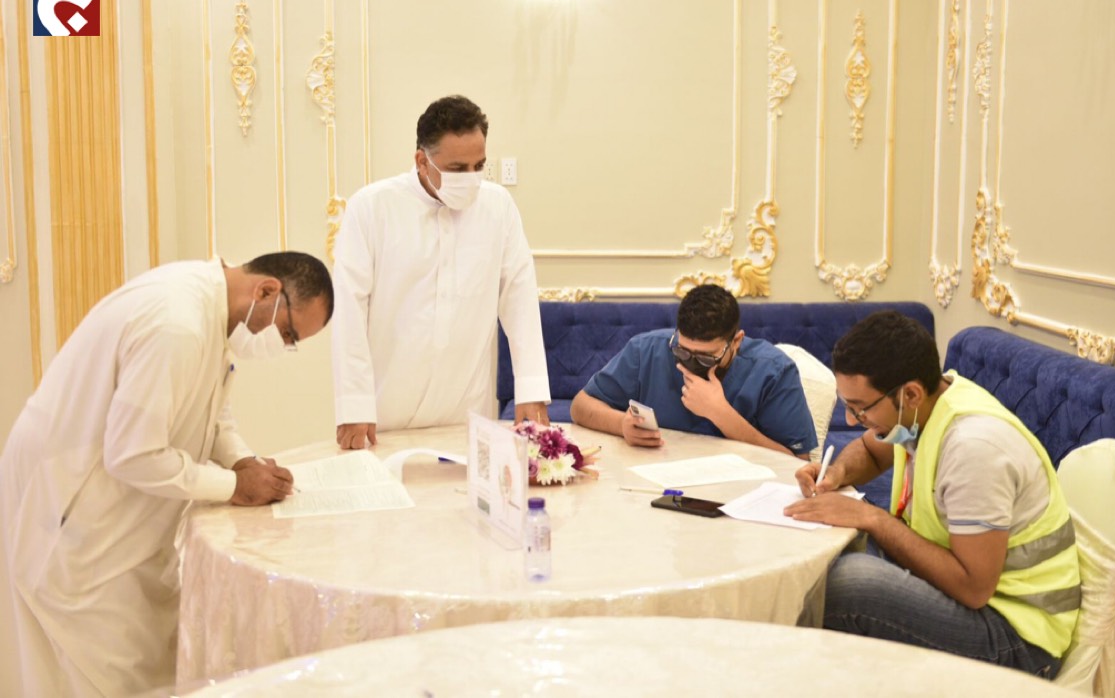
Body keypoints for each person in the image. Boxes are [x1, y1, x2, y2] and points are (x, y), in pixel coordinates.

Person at [0, 252, 334, 697]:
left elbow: (208, 408)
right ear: (267, 290)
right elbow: (133, 454)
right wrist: (235, 486)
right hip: (71, 504)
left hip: (117, 506)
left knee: (150, 659)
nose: (282, 345)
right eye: (288, 333)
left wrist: (241, 460)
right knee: (96, 669)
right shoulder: (177, 324)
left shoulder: (210, 311)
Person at [785, 311, 1079, 679]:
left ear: (910, 393)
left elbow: (973, 588)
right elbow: (871, 451)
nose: (850, 420)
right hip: (977, 598)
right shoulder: (926, 405)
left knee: (849, 583)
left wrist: (873, 519)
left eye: (860, 408)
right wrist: (837, 473)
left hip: (1017, 636)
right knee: (832, 551)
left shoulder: (974, 449)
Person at [332, 95, 550, 448]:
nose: (471, 178)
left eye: (479, 166)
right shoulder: (371, 208)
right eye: (457, 169)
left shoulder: (498, 206)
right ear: (422, 161)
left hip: (466, 409)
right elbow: (349, 311)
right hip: (387, 410)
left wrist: (531, 388)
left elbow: (519, 298)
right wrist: (353, 404)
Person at [569, 284, 817, 458]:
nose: (692, 364)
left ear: (736, 342)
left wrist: (722, 415)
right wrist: (622, 425)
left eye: (707, 357)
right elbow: (581, 406)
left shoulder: (774, 371)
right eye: (684, 352)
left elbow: (798, 462)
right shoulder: (647, 350)